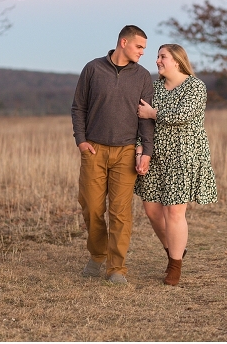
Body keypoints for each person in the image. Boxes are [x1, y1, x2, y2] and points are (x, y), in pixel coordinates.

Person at [71, 25, 154, 284]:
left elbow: (146, 119)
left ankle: (116, 268)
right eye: (139, 47)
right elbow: (78, 107)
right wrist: (81, 141)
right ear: (123, 42)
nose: (142, 52)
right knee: (92, 208)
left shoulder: (142, 76)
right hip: (94, 150)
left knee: (120, 212)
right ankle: (97, 256)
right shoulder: (93, 69)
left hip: (126, 152)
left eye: (144, 48)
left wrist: (146, 152)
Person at [134, 43, 218, 286]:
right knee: (151, 210)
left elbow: (182, 115)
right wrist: (140, 147)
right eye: (157, 57)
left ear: (178, 61)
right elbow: (141, 121)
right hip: (155, 154)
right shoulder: (154, 88)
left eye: (163, 57)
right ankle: (175, 249)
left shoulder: (195, 86)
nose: (157, 60)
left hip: (184, 155)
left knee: (174, 211)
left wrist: (153, 114)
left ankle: (174, 265)